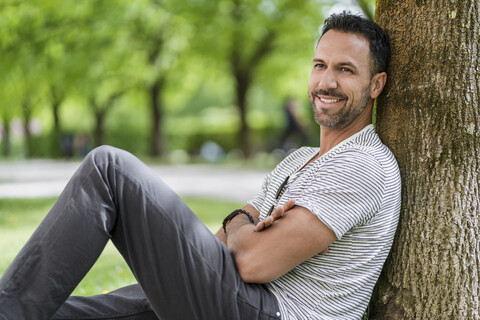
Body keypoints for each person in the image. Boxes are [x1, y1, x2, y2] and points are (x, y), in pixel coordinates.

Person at [0, 11, 401, 320]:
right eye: (320, 65)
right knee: (69, 310)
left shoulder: (363, 164)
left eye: (345, 70)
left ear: (376, 84)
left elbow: (250, 260)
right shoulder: (299, 159)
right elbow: (222, 243)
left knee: (110, 170)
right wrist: (245, 223)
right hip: (238, 299)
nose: (326, 82)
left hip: (271, 311)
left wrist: (243, 223)